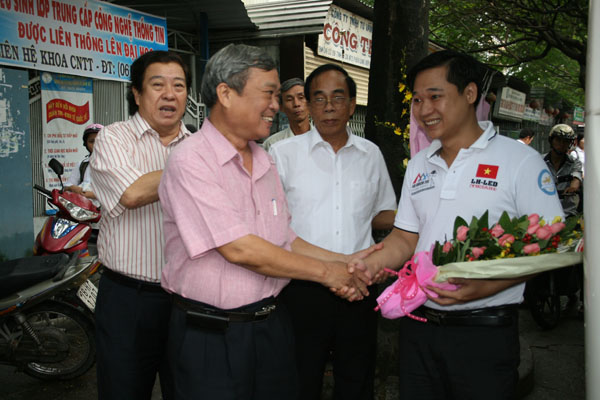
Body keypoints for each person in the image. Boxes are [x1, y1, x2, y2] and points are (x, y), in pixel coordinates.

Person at [158, 44, 376, 400]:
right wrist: (328, 273)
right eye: (268, 93)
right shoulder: (191, 160)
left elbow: (285, 239)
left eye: (277, 95)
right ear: (226, 94)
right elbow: (240, 248)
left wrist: (348, 262)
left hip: (271, 326)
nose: (277, 105)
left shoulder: (264, 159)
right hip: (211, 334)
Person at [350, 50, 564, 400]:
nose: (424, 110)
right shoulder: (419, 163)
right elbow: (405, 237)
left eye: (435, 96)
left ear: (469, 93)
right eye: (417, 100)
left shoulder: (519, 161)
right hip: (419, 329)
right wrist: (368, 264)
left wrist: (481, 288)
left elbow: (551, 243)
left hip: (484, 334)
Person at [269, 64, 396, 400]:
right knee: (300, 379)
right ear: (309, 105)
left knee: (357, 378)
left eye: (338, 98)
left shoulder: (370, 155)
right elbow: (274, 226)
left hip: (359, 286)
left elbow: (383, 214)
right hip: (302, 286)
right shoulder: (282, 154)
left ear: (352, 105)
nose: (328, 107)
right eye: (319, 98)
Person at [89, 50, 192, 400]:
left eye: (179, 86)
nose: (170, 94)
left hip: (188, 301)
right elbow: (131, 193)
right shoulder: (113, 139)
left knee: (189, 389)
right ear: (136, 93)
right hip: (128, 300)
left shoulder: (197, 145)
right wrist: (197, 165)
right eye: (158, 85)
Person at [543, 124, 583, 217]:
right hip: (543, 213)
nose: (562, 144)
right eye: (558, 140)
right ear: (551, 140)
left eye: (566, 141)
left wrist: (573, 188)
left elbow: (576, 177)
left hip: (567, 214)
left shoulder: (574, 162)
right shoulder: (539, 161)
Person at [261, 77, 311, 151]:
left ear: (310, 103)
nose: (296, 104)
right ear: (281, 107)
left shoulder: (324, 138)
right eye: (289, 99)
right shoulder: (272, 144)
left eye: (301, 97)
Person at [64, 123, 103, 201]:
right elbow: (66, 187)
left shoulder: (116, 164)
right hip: (83, 207)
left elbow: (119, 193)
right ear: (86, 144)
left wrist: (91, 195)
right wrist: (72, 188)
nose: (95, 145)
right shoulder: (82, 165)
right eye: (91, 141)